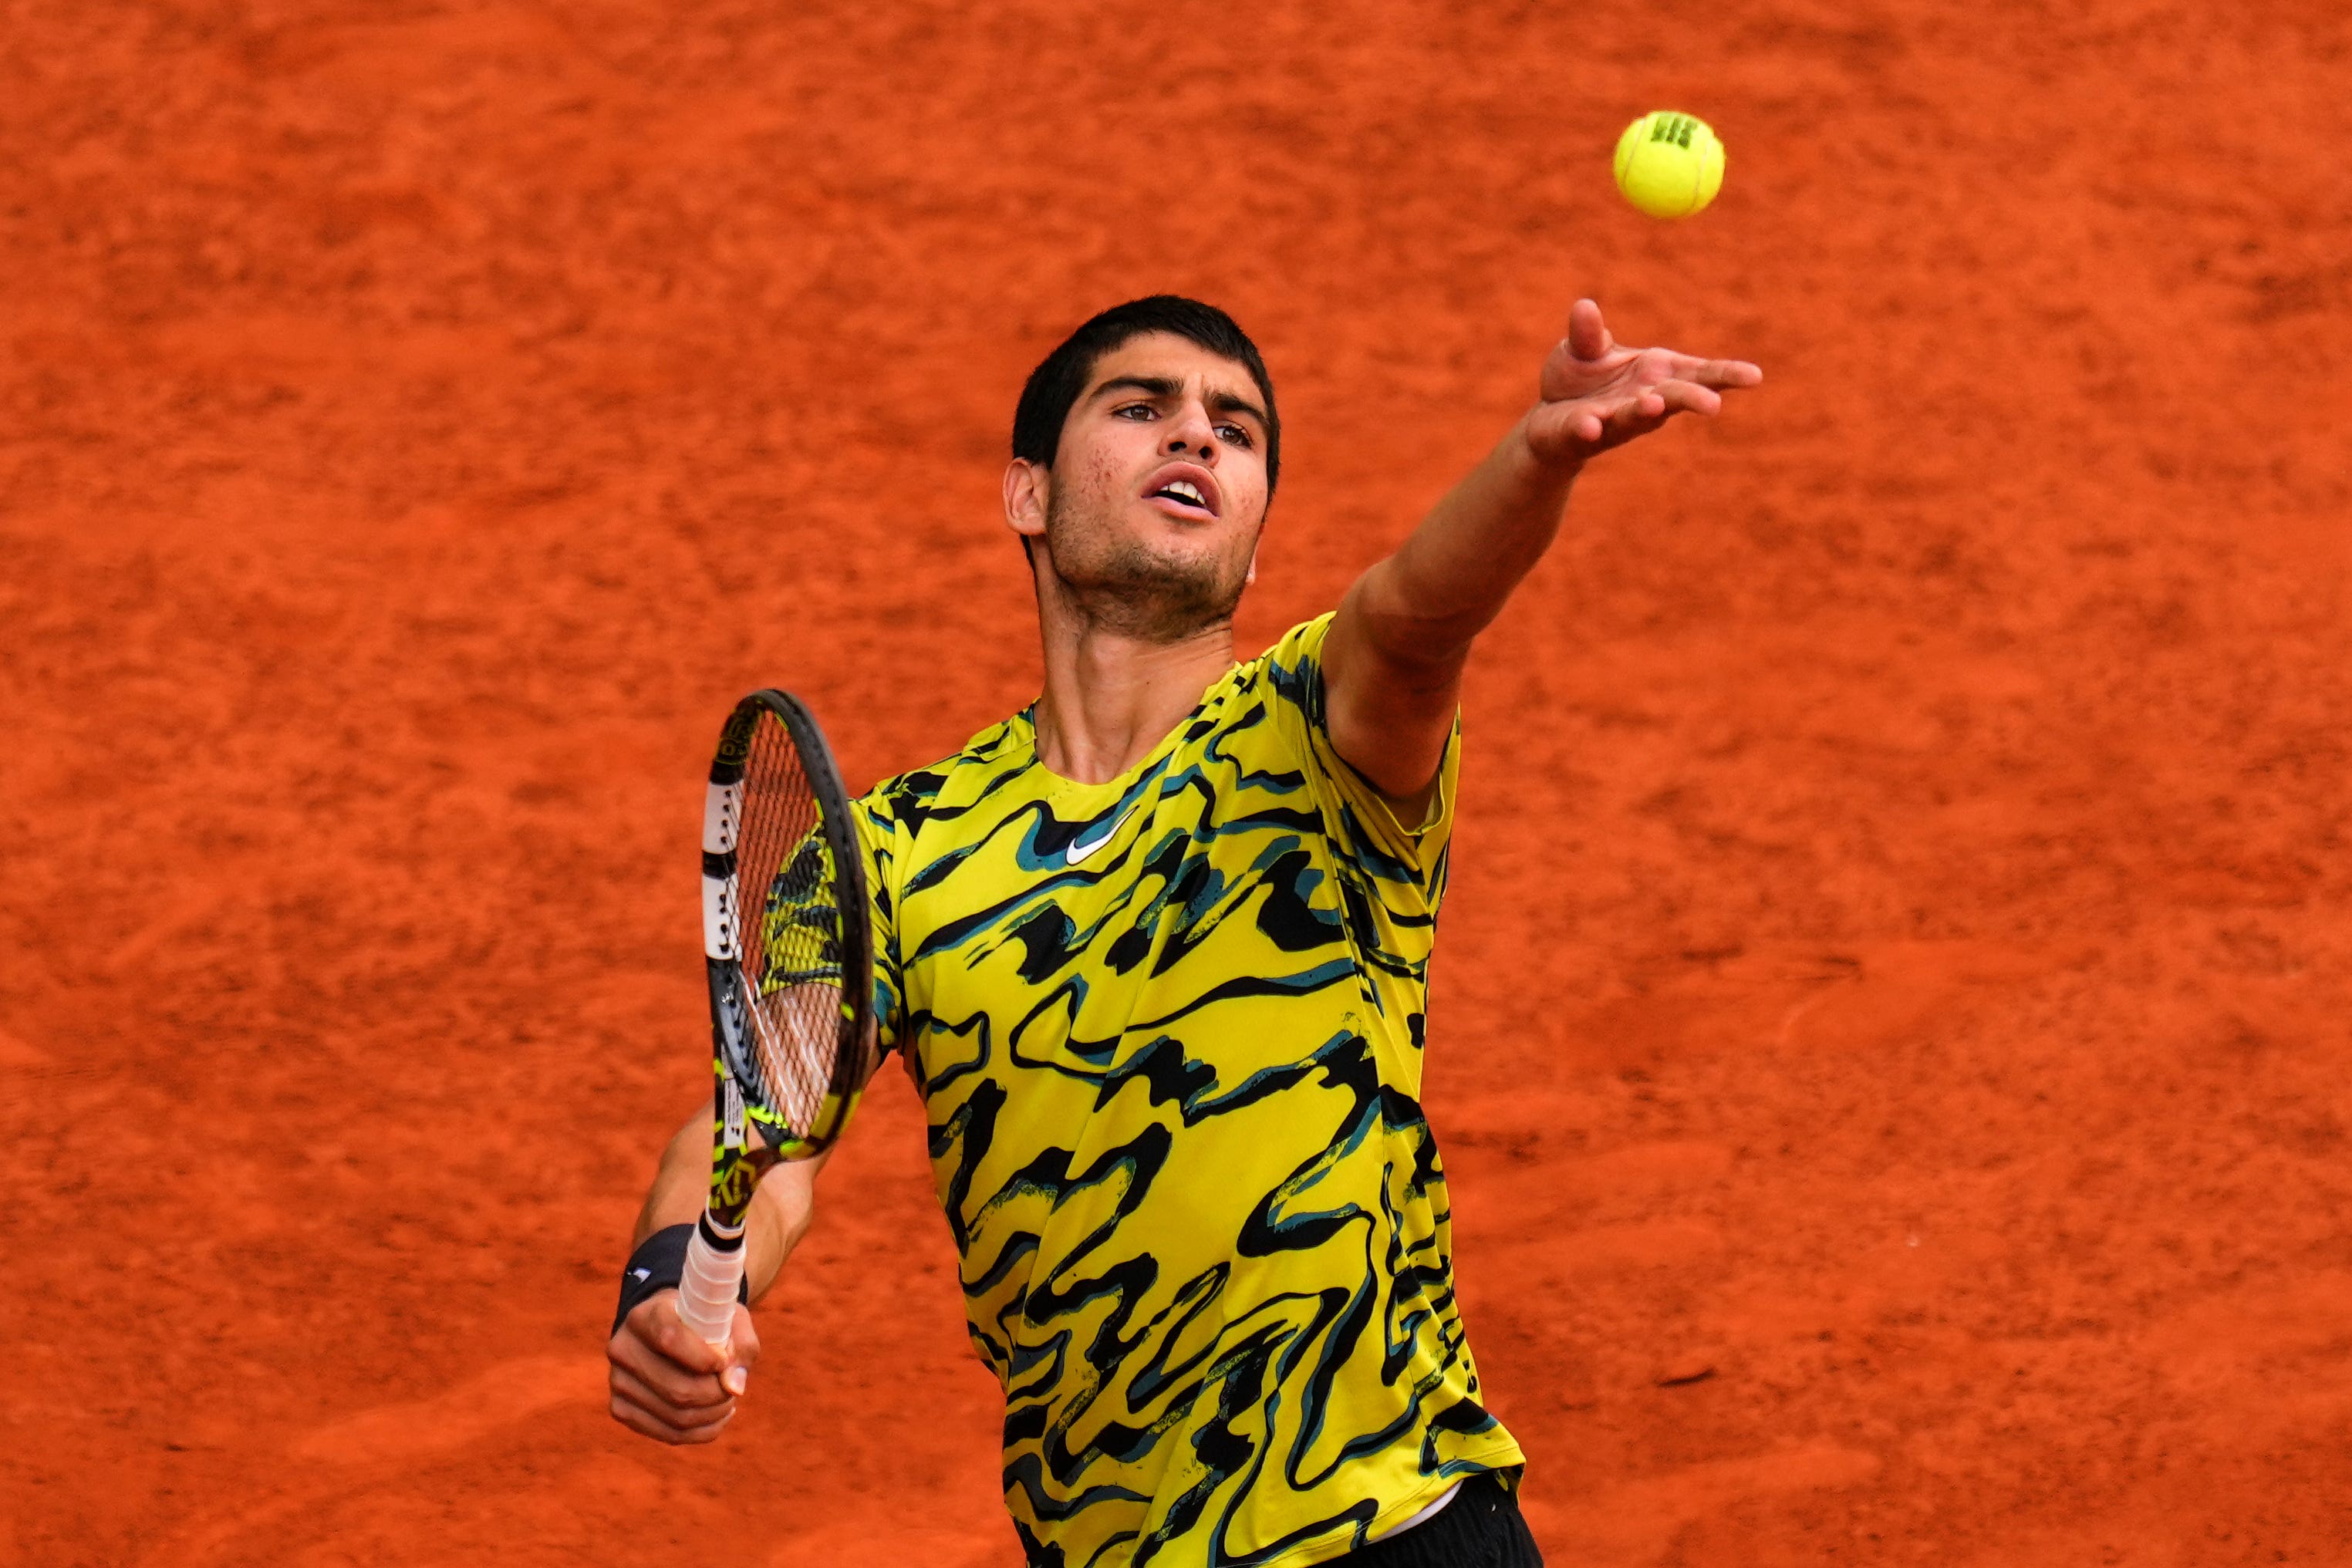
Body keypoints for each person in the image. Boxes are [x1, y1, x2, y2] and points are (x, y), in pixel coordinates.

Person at [606, 295, 1761, 1566]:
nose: (1196, 438)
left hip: (1393, 1523)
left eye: (1236, 429)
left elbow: (1417, 616)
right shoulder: (891, 847)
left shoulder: (1308, 733)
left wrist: (1536, 456)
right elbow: (757, 1125)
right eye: (1142, 407)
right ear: (1027, 494)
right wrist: (674, 1285)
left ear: (1257, 544)